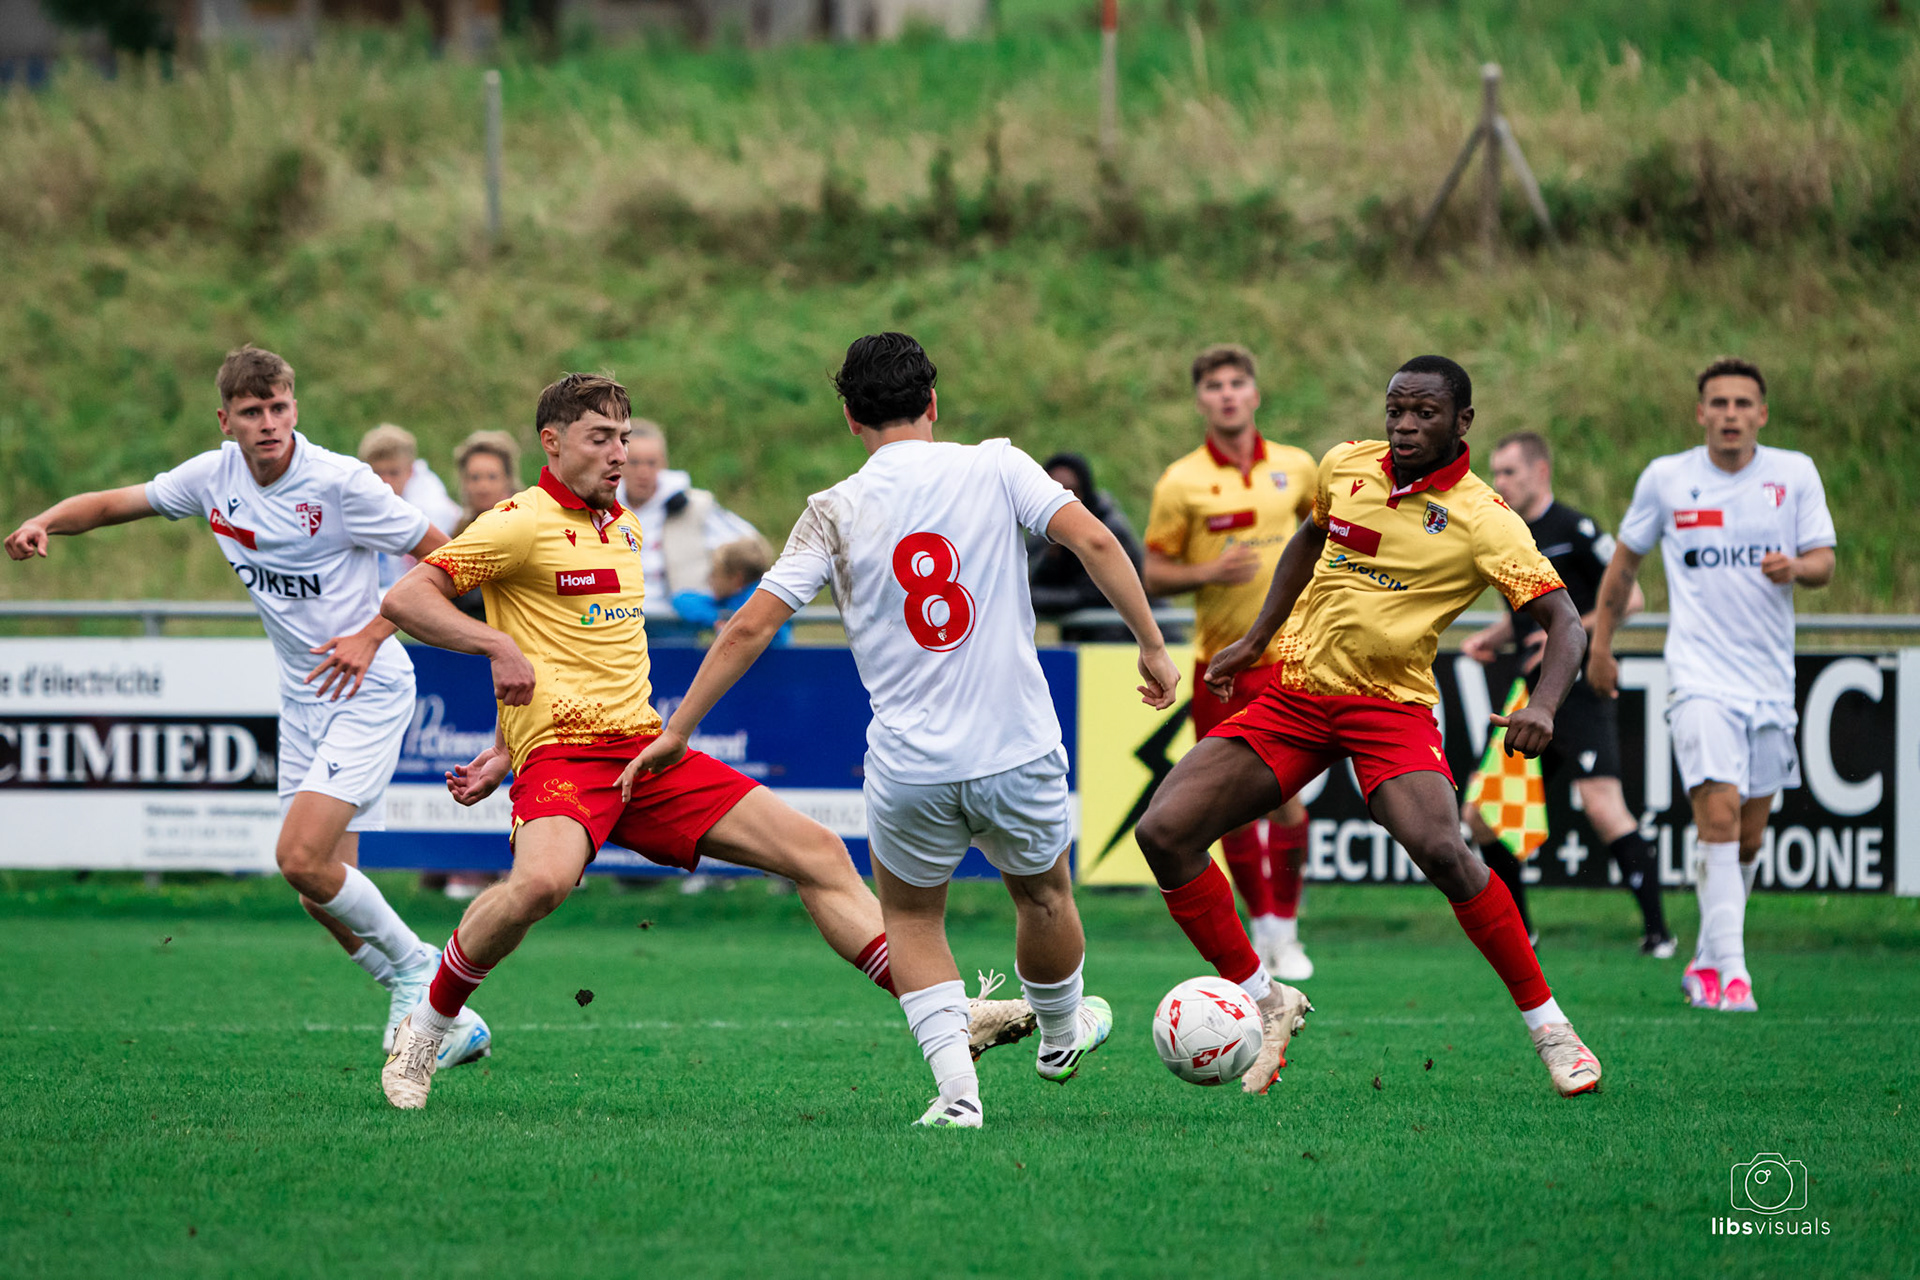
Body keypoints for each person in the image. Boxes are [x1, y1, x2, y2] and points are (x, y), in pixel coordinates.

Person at [374, 372, 1033, 1110]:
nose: (618, 453)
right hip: (565, 756)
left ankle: (946, 1015)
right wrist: (496, 651)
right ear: (551, 443)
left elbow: (561, 649)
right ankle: (426, 1029)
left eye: (624, 438)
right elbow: (406, 599)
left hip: (646, 754)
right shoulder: (515, 522)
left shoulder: (620, 527)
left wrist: (501, 737)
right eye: (600, 438)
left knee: (816, 852)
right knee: (539, 885)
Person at [619, 334, 1182, 1128]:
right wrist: (1152, 647)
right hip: (1015, 745)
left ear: (850, 417)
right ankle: (1059, 1037)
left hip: (910, 762)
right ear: (934, 403)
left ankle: (958, 1097)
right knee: (1044, 894)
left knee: (913, 918)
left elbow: (749, 626)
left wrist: (680, 729)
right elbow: (1092, 538)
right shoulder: (999, 464)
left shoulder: (833, 509)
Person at [3, 344, 490, 1069]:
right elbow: (117, 503)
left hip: (368, 687)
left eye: (280, 408)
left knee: (297, 858)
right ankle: (435, 1011)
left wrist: (372, 629)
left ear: (295, 407)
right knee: (317, 891)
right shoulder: (212, 476)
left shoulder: (340, 482)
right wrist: (46, 519)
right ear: (225, 420)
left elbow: (450, 560)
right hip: (303, 698)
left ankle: (424, 971)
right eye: (253, 412)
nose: (269, 423)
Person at [1135, 355, 1604, 1099]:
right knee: (1164, 832)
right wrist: (1257, 639)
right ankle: (1264, 998)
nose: (1407, 426)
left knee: (1445, 852)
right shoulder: (1346, 466)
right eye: (1397, 411)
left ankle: (1551, 1028)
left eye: (1425, 414)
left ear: (1463, 423)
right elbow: (1309, 540)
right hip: (1297, 697)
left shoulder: (1486, 518)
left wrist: (1543, 703)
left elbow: (1564, 621)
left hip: (1390, 707)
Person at [1590, 358, 1836, 1014]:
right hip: (1698, 677)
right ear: (1700, 413)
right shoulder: (1668, 479)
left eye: (1743, 403)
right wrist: (1601, 644)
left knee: (1748, 837)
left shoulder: (1794, 473)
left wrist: (1798, 568)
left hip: (1770, 684)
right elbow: (1623, 566)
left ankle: (1704, 957)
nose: (1730, 414)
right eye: (1719, 403)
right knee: (1717, 814)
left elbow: (1825, 562)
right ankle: (1733, 972)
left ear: (1762, 414)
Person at [1459, 431, 1673, 956]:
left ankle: (1658, 935)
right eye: (1497, 472)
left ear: (1541, 472)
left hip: (1575, 691)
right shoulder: (1508, 531)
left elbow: (1635, 598)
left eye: (1510, 472)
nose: (1500, 482)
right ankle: (1520, 933)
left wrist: (1571, 636)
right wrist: (1496, 634)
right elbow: (1530, 611)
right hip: (1530, 697)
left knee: (1603, 806)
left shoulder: (1574, 528)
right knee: (1484, 817)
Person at [1142, 345, 1318, 982]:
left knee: (1287, 802)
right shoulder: (1181, 481)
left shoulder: (1298, 468)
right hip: (1221, 667)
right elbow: (1153, 572)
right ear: (1200, 400)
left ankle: (1287, 932)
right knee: (1228, 807)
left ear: (1255, 393)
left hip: (1293, 664)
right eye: (1213, 385)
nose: (1226, 394)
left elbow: (1325, 542)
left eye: (1237, 382)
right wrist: (1207, 572)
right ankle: (1264, 935)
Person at [616, 420, 760, 639]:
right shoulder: (600, 505)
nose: (643, 472)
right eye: (634, 463)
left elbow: (753, 547)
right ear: (620, 463)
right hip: (615, 623)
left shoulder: (693, 506)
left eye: (651, 463)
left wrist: (723, 587)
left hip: (675, 624)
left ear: (663, 463)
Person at [1026, 451, 1147, 643]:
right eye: (1053, 491)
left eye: (1071, 491)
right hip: (1080, 641)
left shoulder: (1109, 530)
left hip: (1126, 641)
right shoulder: (1042, 530)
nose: (1063, 501)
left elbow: (1093, 595)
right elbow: (1030, 579)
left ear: (1086, 492)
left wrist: (1029, 596)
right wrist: (1051, 558)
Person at [358, 424, 463, 589]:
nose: (385, 481)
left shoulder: (433, 508)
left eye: (393, 473)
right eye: (377, 473)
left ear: (411, 471)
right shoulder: (356, 493)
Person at [448, 430, 523, 621]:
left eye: (491, 477)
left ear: (507, 480)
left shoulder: (522, 527)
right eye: (475, 478)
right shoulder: (458, 531)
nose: (483, 486)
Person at [671, 535, 793, 647]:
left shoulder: (766, 602)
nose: (710, 579)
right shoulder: (727, 601)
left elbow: (776, 638)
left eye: (716, 573)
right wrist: (719, 618)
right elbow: (681, 599)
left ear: (736, 579)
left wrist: (732, 623)